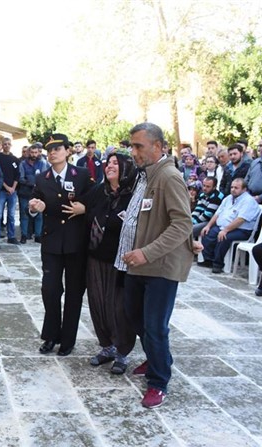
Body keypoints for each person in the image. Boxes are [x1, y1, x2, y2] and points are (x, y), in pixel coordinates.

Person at [113, 122, 193, 409]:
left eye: (139, 146)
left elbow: (182, 223)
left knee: (155, 326)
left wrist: (147, 253)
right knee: (135, 317)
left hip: (159, 266)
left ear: (158, 146)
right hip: (137, 264)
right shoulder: (145, 175)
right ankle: (159, 358)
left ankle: (159, 382)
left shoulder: (169, 177)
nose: (133, 152)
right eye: (132, 146)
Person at [63, 152, 137, 374]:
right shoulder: (99, 191)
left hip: (120, 261)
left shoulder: (134, 195)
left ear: (126, 169)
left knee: (118, 308)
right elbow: (81, 204)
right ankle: (107, 346)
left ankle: (122, 352)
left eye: (116, 163)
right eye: (108, 163)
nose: (110, 166)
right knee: (98, 304)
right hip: (95, 258)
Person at [28, 133, 94, 357]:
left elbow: (96, 199)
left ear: (68, 151)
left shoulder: (81, 175)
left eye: (57, 148)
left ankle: (68, 339)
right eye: (50, 150)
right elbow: (35, 201)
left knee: (74, 292)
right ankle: (51, 335)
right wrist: (34, 206)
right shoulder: (42, 178)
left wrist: (84, 208)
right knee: (50, 290)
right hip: (52, 242)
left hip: (76, 242)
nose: (53, 153)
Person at [198, 178, 260, 274]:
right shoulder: (228, 198)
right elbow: (217, 214)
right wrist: (208, 226)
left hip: (242, 230)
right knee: (207, 233)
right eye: (232, 187)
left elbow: (241, 220)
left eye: (236, 188)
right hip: (224, 227)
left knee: (223, 237)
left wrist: (225, 230)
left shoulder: (248, 201)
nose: (233, 190)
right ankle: (208, 260)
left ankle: (218, 264)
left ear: (244, 189)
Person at [18, 143, 47, 244]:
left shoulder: (42, 163)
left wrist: (37, 184)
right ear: (28, 153)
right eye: (32, 152)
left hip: (38, 193)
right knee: (24, 214)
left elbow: (44, 177)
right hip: (25, 192)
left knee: (39, 214)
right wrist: (30, 183)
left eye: (35, 152)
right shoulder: (23, 164)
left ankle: (38, 235)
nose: (34, 154)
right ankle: (24, 235)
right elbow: (21, 178)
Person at [0, 137, 20, 244]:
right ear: (2, 145)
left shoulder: (15, 159)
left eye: (8, 144)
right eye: (5, 144)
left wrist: (13, 188)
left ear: (11, 145)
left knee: (11, 215)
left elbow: (17, 175)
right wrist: (6, 187)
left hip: (12, 192)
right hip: (1, 190)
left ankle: (11, 236)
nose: (7, 146)